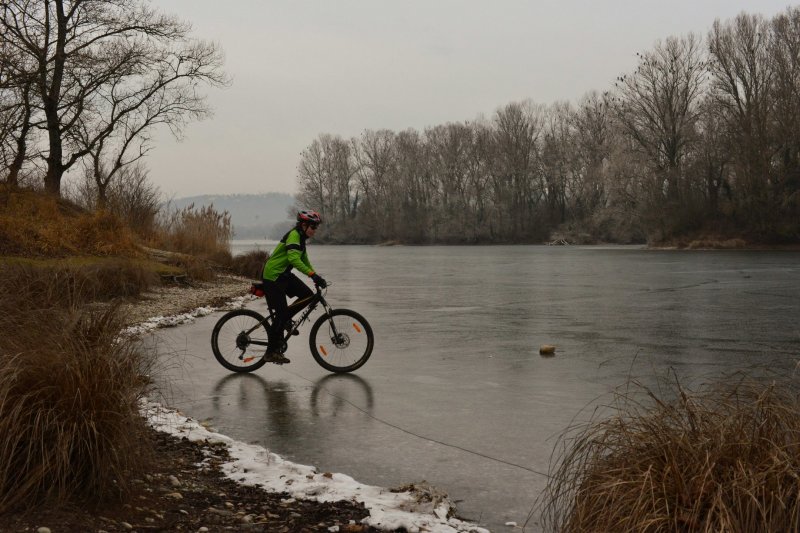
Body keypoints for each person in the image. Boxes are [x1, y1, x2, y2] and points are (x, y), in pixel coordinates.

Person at [261, 210, 327, 364]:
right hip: (273, 276)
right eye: (313, 226)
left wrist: (316, 276)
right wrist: (311, 275)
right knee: (281, 315)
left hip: (283, 275)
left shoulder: (301, 239)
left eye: (316, 227)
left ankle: (285, 320)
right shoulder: (294, 236)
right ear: (304, 225)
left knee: (308, 295)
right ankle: (270, 352)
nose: (315, 230)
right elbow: (294, 259)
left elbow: (304, 260)